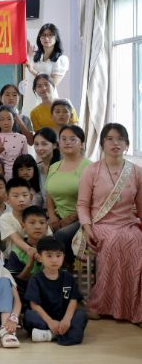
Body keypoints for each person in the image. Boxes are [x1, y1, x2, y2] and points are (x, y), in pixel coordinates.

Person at [76, 123, 142, 324]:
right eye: (110, 139)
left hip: (128, 223)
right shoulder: (91, 171)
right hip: (100, 223)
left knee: (137, 242)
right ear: (102, 144)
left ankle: (134, 307)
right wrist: (87, 227)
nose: (116, 143)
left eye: (120, 139)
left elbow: (140, 206)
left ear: (127, 144)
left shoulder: (136, 171)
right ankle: (101, 305)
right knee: (113, 242)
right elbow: (82, 204)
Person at [24, 236, 88, 345]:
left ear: (63, 257)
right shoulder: (35, 279)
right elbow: (34, 305)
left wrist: (67, 319)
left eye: (58, 255)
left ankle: (50, 335)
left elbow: (73, 300)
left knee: (81, 314)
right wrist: (50, 322)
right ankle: (63, 333)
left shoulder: (68, 277)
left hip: (63, 317)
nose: (54, 260)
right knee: (29, 315)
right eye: (49, 256)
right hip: (44, 318)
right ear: (40, 257)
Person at [46, 125, 91, 262]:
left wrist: (69, 219)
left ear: (82, 144)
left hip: (81, 219)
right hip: (57, 217)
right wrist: (52, 216)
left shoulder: (89, 167)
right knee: (36, 231)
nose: (67, 142)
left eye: (73, 139)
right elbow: (49, 194)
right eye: (63, 139)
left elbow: (93, 200)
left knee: (60, 236)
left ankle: (64, 270)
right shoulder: (54, 166)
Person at [22, 23, 69, 114]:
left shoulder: (61, 59)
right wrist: (28, 58)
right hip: (30, 96)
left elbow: (53, 82)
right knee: (28, 120)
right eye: (43, 35)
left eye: (50, 35)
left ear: (56, 37)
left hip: (47, 98)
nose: (46, 38)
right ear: (39, 38)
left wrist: (33, 71)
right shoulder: (35, 56)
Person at [6, 206, 48, 297]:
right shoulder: (17, 252)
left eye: (42, 223)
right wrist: (29, 265)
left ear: (47, 226)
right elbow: (15, 281)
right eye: (32, 223)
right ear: (23, 226)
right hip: (25, 292)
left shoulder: (53, 248)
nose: (38, 227)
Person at [0, 105, 28, 180]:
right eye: (2, 119)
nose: (6, 122)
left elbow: (25, 161)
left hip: (17, 177)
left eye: (9, 119)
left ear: (14, 119)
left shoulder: (22, 138)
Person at [34, 127, 60, 203]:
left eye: (44, 144)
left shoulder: (61, 167)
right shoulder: (36, 168)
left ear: (54, 145)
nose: (39, 148)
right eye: (36, 144)